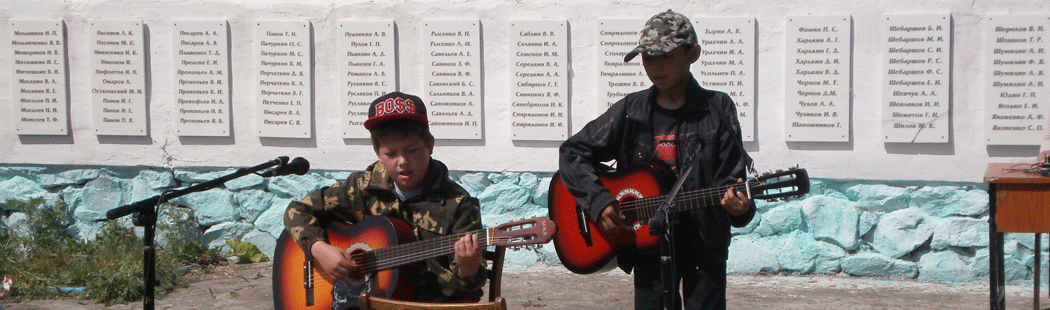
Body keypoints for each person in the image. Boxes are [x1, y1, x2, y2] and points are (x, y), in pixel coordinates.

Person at [558, 10, 755, 309]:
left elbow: (733, 182)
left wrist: (740, 208)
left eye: (666, 57)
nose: (655, 67)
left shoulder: (718, 109)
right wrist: (598, 202)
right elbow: (573, 152)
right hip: (648, 245)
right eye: (648, 58)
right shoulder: (630, 110)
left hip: (704, 249)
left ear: (693, 54)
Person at [283, 92, 486, 306]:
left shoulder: (458, 203)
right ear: (377, 152)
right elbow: (297, 211)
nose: (403, 161)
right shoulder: (363, 188)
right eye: (391, 153)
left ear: (430, 145)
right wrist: (319, 248)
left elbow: (471, 287)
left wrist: (468, 267)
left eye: (412, 150)